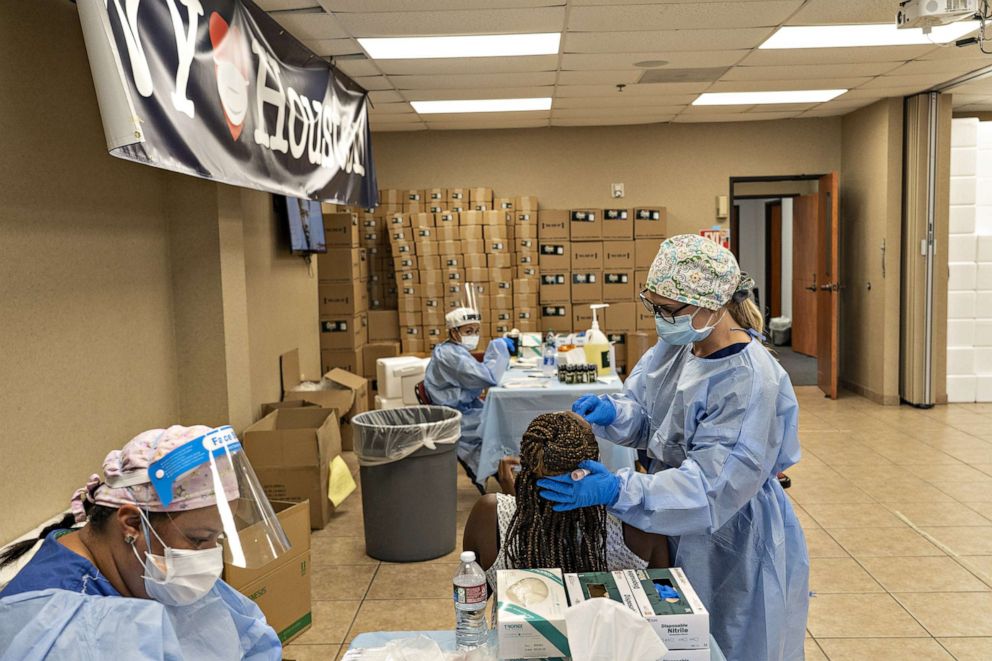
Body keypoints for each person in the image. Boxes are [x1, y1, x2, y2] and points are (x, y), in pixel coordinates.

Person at [537, 234, 809, 661]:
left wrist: (618, 490)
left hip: (731, 533)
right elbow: (656, 423)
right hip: (668, 509)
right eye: (654, 305)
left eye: (668, 309)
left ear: (713, 303)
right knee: (673, 635)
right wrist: (615, 413)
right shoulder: (681, 344)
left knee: (728, 637)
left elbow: (709, 489)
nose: (660, 319)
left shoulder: (751, 382)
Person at [0, 425, 287, 659]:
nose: (209, 555)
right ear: (133, 524)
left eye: (218, 537)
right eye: (199, 539)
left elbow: (249, 641)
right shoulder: (67, 630)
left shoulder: (148, 568)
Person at [463, 412, 669, 592]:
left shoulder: (488, 516)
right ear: (593, 465)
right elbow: (666, 604)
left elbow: (472, 605)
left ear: (526, 469)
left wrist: (521, 503)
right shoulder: (640, 523)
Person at [424, 305, 511, 491]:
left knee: (502, 421)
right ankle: (503, 474)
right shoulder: (450, 355)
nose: (473, 335)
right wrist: (499, 349)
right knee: (499, 426)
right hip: (456, 415)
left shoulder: (454, 350)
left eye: (477, 331)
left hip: (465, 407)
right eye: (468, 331)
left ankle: (506, 473)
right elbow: (487, 377)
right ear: (454, 332)